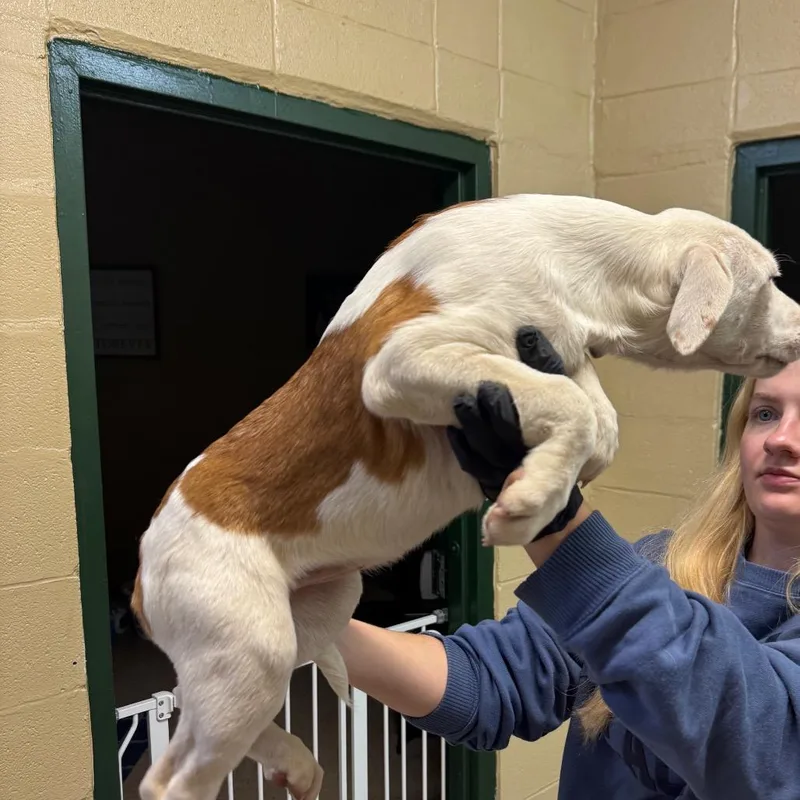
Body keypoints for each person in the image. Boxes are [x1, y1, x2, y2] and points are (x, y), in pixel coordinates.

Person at [336, 327, 800, 799]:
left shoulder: (636, 591)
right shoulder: (663, 562)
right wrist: (316, 626)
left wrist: (554, 518)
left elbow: (757, 751)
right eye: (765, 413)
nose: (781, 439)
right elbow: (487, 683)